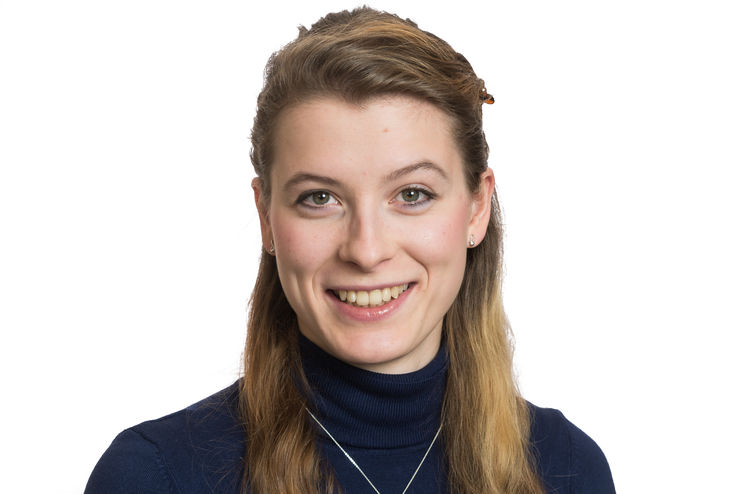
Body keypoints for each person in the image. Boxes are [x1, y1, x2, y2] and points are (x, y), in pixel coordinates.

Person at [85, 7, 615, 493]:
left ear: (476, 208)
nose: (366, 250)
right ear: (266, 216)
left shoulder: (567, 467)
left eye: (412, 195)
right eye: (320, 198)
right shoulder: (155, 475)